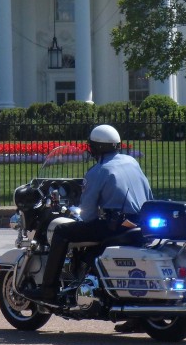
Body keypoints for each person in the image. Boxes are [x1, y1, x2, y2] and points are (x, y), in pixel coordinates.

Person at [19, 124, 152, 304]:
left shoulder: (99, 171)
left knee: (61, 232)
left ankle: (48, 290)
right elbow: (148, 194)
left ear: (95, 147)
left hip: (115, 226)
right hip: (140, 223)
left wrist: (77, 216)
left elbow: (87, 213)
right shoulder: (132, 162)